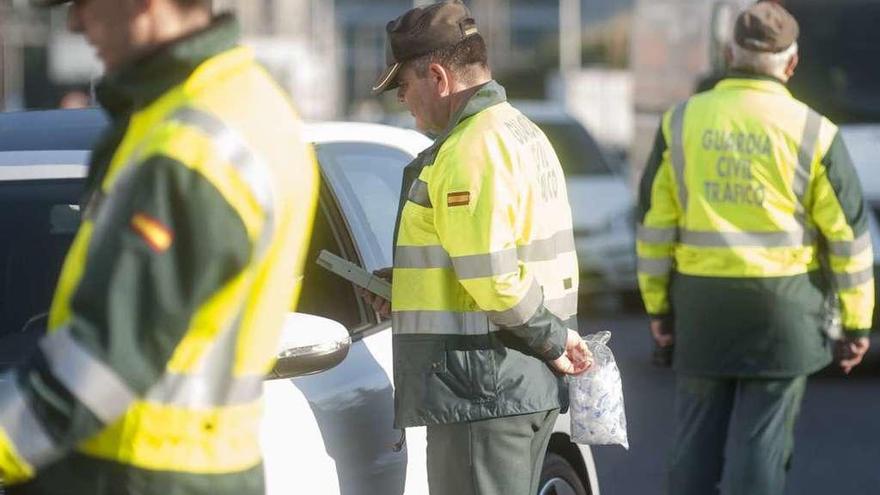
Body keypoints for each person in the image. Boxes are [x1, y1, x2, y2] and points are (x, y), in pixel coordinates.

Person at [0, 0, 319, 493]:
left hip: (143, 473)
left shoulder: (193, 143)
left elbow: (100, 360)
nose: (75, 23)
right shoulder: (232, 104)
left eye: (84, 4)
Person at [636, 1, 874, 494]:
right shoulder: (816, 131)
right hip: (784, 310)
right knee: (761, 443)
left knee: (694, 441)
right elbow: (848, 239)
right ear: (792, 63)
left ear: (728, 53)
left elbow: (655, 226)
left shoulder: (680, 122)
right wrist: (856, 322)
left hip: (702, 306)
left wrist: (658, 307)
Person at [366, 2, 591, 494]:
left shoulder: (469, 149)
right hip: (516, 383)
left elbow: (493, 274)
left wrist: (554, 340)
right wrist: (406, 284)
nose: (403, 100)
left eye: (403, 85)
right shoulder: (521, 131)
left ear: (439, 78)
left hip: (482, 390)